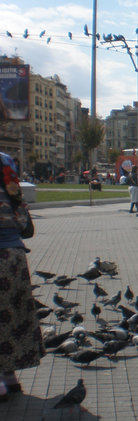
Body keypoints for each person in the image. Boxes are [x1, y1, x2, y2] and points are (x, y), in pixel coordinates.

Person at [0, 152, 45, 401]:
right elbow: (21, 213)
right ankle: (9, 377)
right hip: (13, 254)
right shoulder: (6, 162)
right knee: (11, 315)